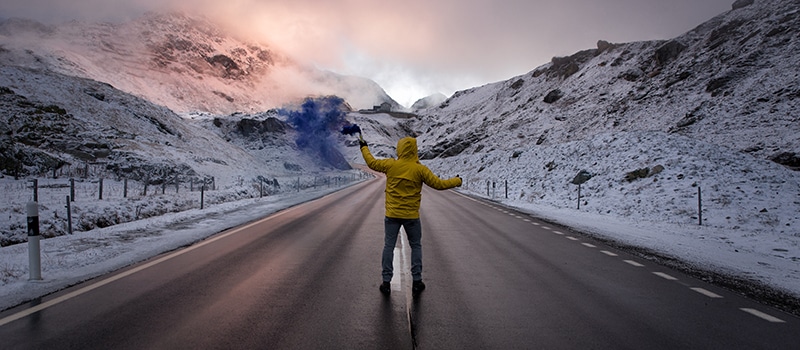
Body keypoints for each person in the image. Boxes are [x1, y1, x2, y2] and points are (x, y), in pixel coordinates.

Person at [359, 136, 462, 295]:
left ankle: (386, 283)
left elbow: (371, 162)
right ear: (414, 150)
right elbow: (439, 185)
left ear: (399, 149)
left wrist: (363, 146)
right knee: (416, 246)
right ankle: (417, 281)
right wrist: (457, 180)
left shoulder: (391, 165)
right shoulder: (420, 169)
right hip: (412, 217)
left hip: (392, 215)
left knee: (388, 246)